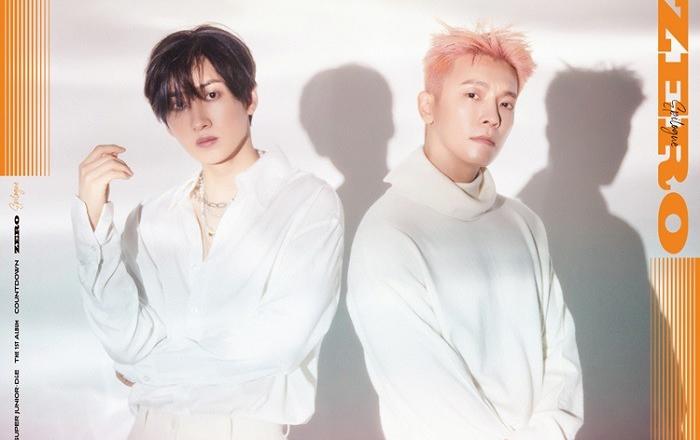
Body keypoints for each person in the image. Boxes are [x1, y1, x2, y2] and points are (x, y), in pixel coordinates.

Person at [70, 24, 343, 440]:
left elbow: (279, 344)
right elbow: (123, 342)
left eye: (212, 95)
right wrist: (92, 219)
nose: (198, 120)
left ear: (249, 97)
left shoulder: (306, 204)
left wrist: (145, 369)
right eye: (178, 104)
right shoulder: (151, 219)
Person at [346, 23, 583, 439]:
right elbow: (427, 397)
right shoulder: (389, 233)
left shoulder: (524, 223)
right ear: (427, 106)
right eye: (473, 95)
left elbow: (561, 360)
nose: (492, 116)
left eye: (506, 103)